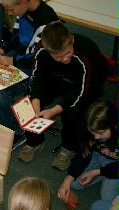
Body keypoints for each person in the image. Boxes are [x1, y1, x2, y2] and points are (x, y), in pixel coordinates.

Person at [20, 21, 107, 170]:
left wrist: (55, 110)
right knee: (28, 101)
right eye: (59, 57)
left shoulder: (86, 51)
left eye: (67, 53)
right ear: (49, 51)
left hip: (86, 84)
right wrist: (35, 101)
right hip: (57, 79)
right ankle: (34, 141)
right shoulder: (42, 50)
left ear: (71, 40)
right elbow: (37, 78)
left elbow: (81, 91)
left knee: (73, 112)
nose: (65, 58)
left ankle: (69, 147)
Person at [0, 0, 58, 145]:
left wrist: (13, 60)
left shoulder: (45, 21)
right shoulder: (22, 10)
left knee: (0, 92)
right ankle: (0, 113)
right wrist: (5, 49)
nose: (10, 14)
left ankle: (15, 130)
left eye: (11, 10)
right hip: (20, 57)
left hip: (35, 66)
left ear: (23, 2)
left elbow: (38, 57)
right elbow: (17, 37)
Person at [57, 101, 119, 210]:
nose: (95, 137)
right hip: (97, 156)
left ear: (112, 125)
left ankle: (106, 173)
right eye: (93, 132)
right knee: (75, 183)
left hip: (116, 163)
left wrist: (97, 172)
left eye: (100, 133)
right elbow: (83, 153)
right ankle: (105, 174)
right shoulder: (90, 125)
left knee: (108, 200)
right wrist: (67, 180)